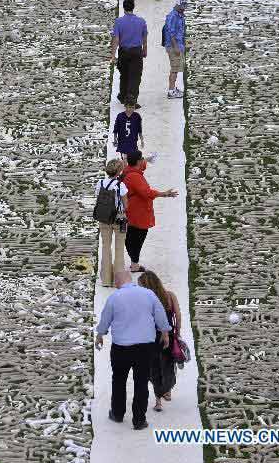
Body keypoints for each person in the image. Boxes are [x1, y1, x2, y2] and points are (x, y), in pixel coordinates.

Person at [95, 270, 172, 430]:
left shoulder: (114, 297)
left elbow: (105, 318)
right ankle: (139, 420)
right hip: (145, 347)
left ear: (117, 282)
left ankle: (117, 413)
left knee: (119, 380)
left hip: (121, 347)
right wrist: (165, 332)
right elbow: (160, 315)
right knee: (141, 382)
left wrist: (100, 335)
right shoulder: (148, 294)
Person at [121, 150, 178, 273]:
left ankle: (133, 261)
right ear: (137, 161)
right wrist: (164, 194)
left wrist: (147, 159)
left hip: (132, 212)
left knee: (132, 237)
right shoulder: (135, 177)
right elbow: (146, 193)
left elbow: (141, 165)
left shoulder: (128, 170)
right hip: (138, 213)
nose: (143, 161)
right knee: (137, 239)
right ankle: (135, 264)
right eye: (141, 159)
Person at [138, 271, 183, 412]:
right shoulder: (170, 296)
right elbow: (178, 316)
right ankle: (167, 390)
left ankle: (158, 400)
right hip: (168, 336)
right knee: (168, 365)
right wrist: (178, 333)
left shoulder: (145, 299)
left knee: (154, 368)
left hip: (151, 337)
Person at [96, 159, 129, 287]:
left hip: (104, 217)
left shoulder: (100, 183)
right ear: (119, 171)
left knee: (105, 247)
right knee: (119, 248)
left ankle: (106, 279)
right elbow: (126, 205)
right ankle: (118, 280)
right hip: (119, 218)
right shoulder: (121, 185)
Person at [110, 0, 148, 107]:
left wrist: (113, 55)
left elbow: (116, 39)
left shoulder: (118, 22)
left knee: (124, 74)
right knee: (135, 76)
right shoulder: (141, 21)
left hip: (123, 52)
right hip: (136, 52)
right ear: (133, 7)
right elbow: (144, 37)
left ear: (124, 7)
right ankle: (131, 99)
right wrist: (145, 50)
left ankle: (123, 95)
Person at [162, 0, 188, 99]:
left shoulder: (179, 15)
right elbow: (171, 33)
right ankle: (171, 91)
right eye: (182, 7)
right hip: (173, 47)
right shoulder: (173, 16)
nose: (183, 9)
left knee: (176, 69)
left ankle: (172, 89)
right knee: (174, 69)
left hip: (178, 45)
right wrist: (176, 47)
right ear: (177, 5)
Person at [112, 96, 144, 160]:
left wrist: (142, 140)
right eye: (129, 107)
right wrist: (115, 140)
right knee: (124, 158)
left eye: (133, 107)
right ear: (125, 106)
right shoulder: (120, 116)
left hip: (133, 142)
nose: (131, 109)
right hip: (122, 142)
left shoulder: (137, 116)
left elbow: (139, 129)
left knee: (132, 158)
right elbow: (116, 129)